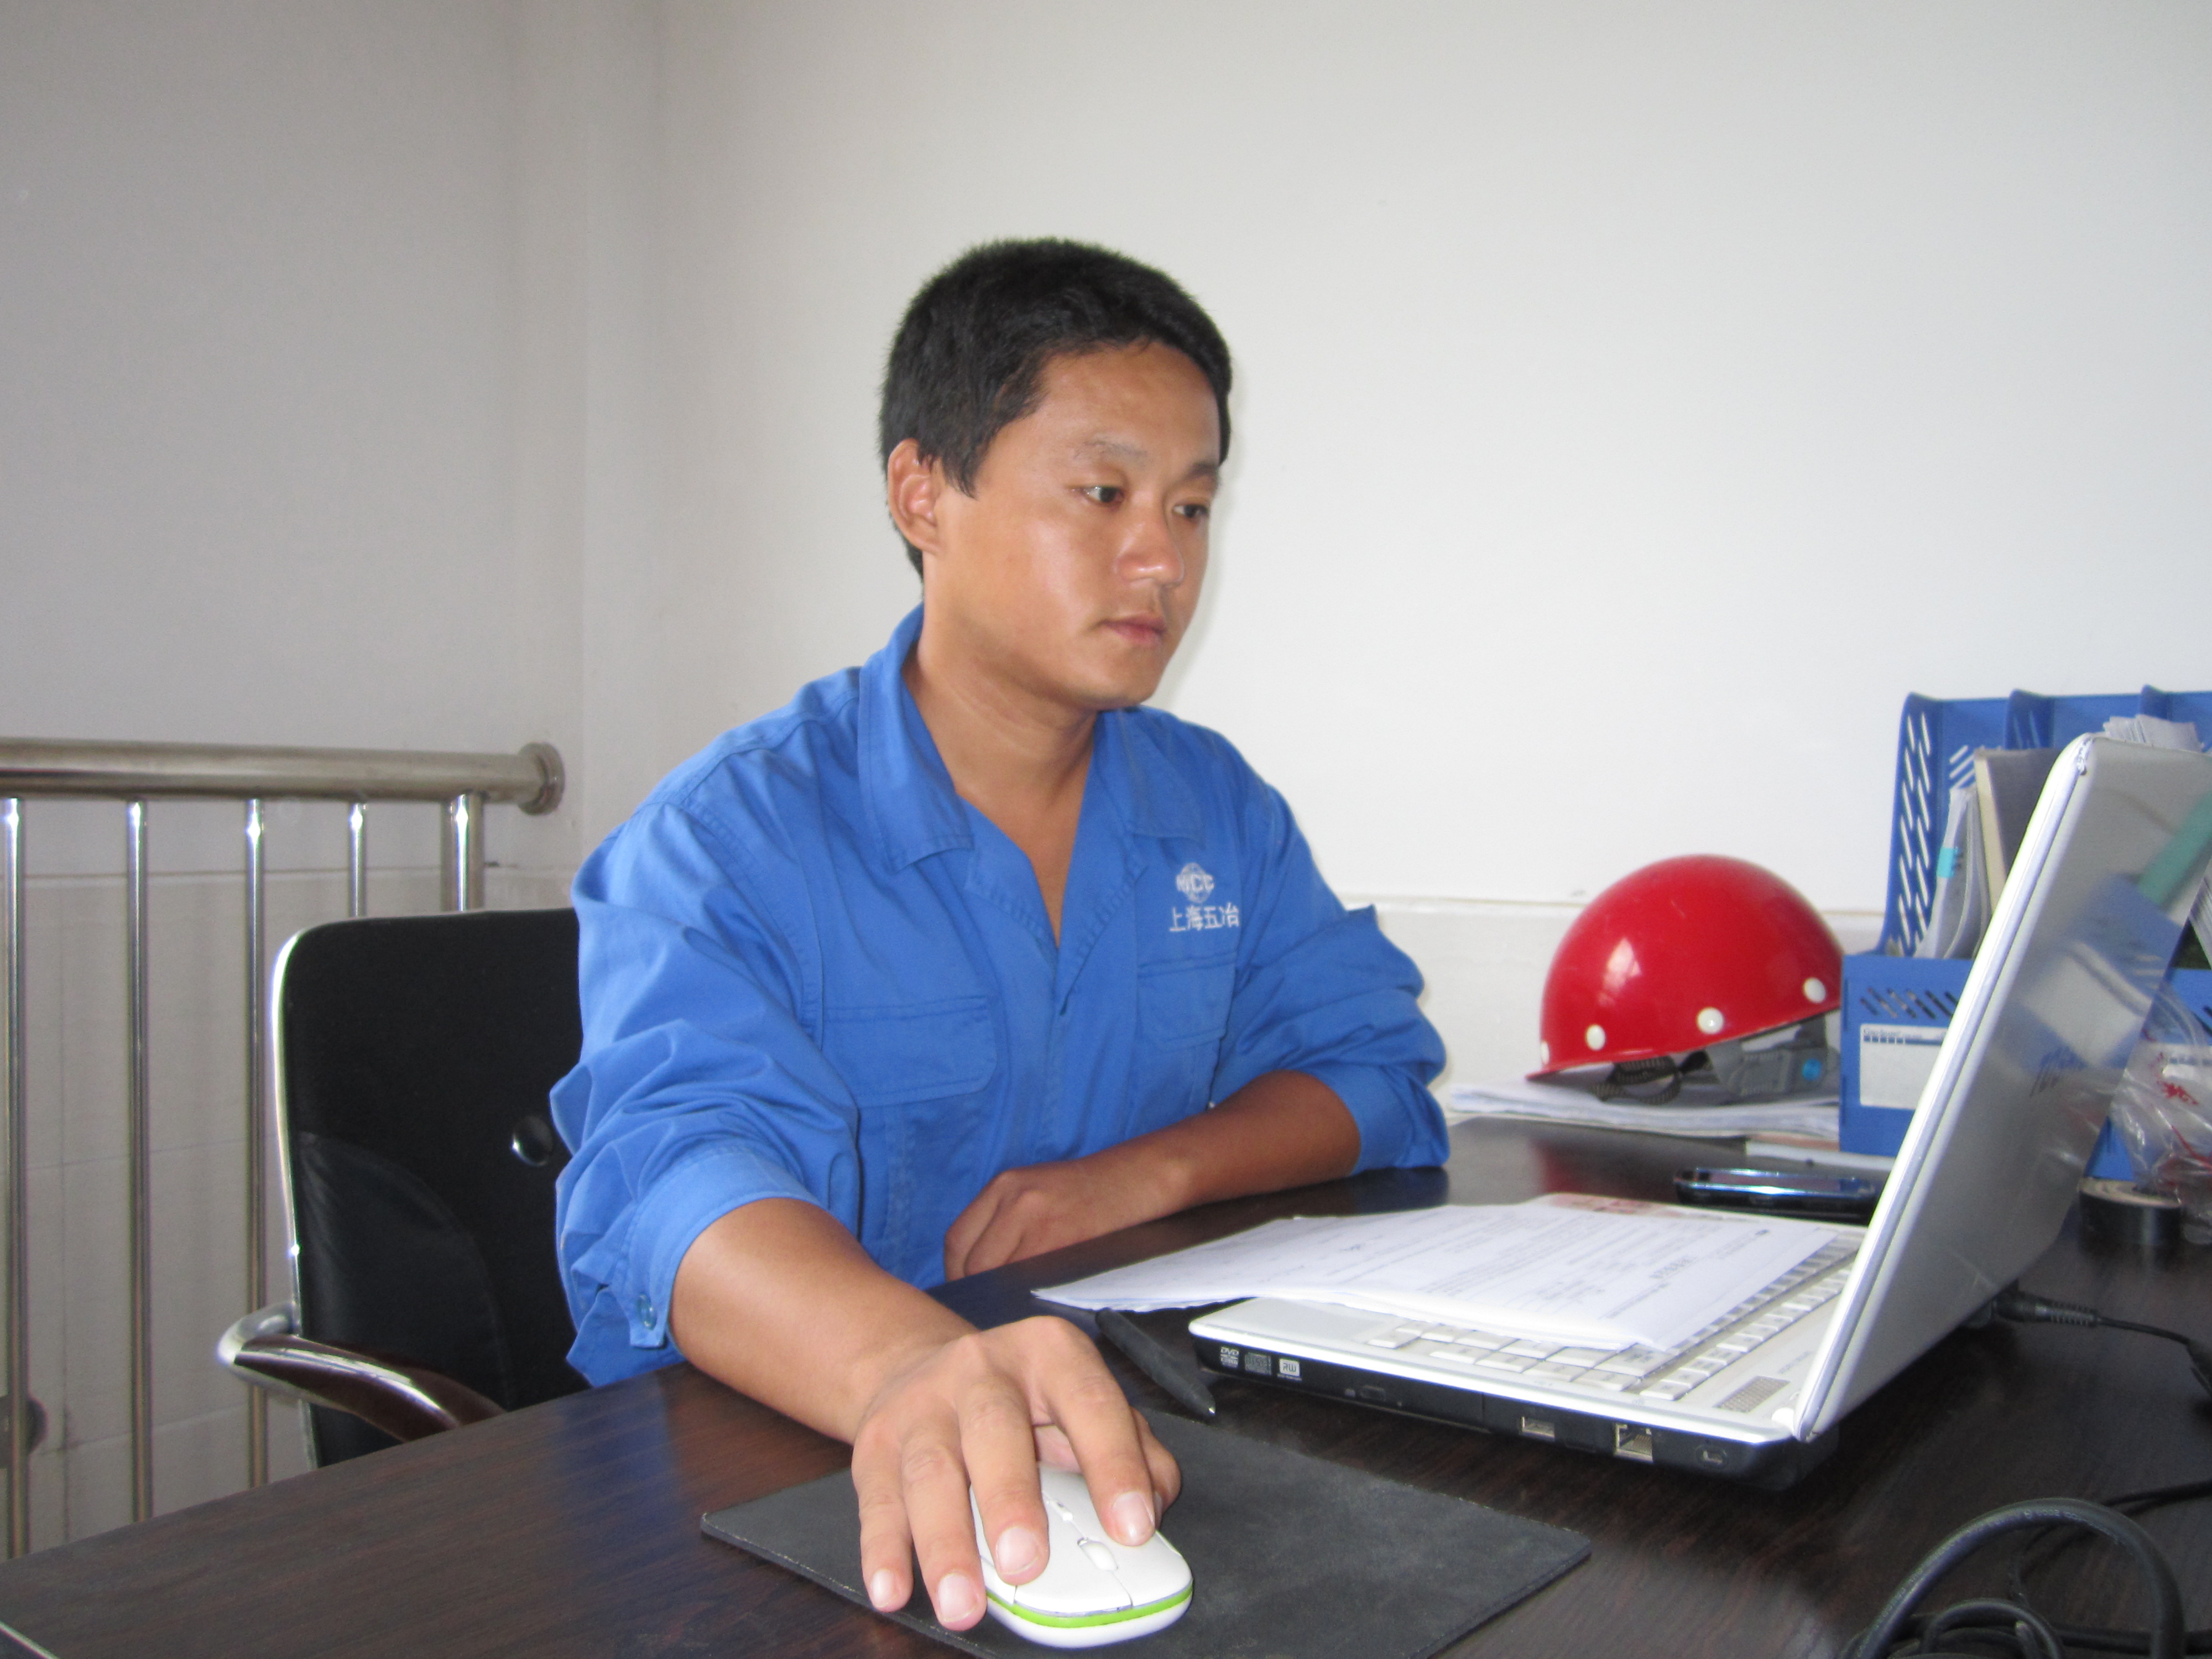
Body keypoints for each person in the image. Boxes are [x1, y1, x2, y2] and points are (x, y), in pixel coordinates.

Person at [551, 238, 1447, 1632]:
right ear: (923, 493)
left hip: (1120, 1429)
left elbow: (1373, 1076)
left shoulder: (1212, 806)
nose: (1162, 559)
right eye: (1103, 493)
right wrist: (909, 1366)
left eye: (1191, 506)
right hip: (773, 1476)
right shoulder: (725, 839)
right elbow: (673, 1184)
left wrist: (1139, 1176)